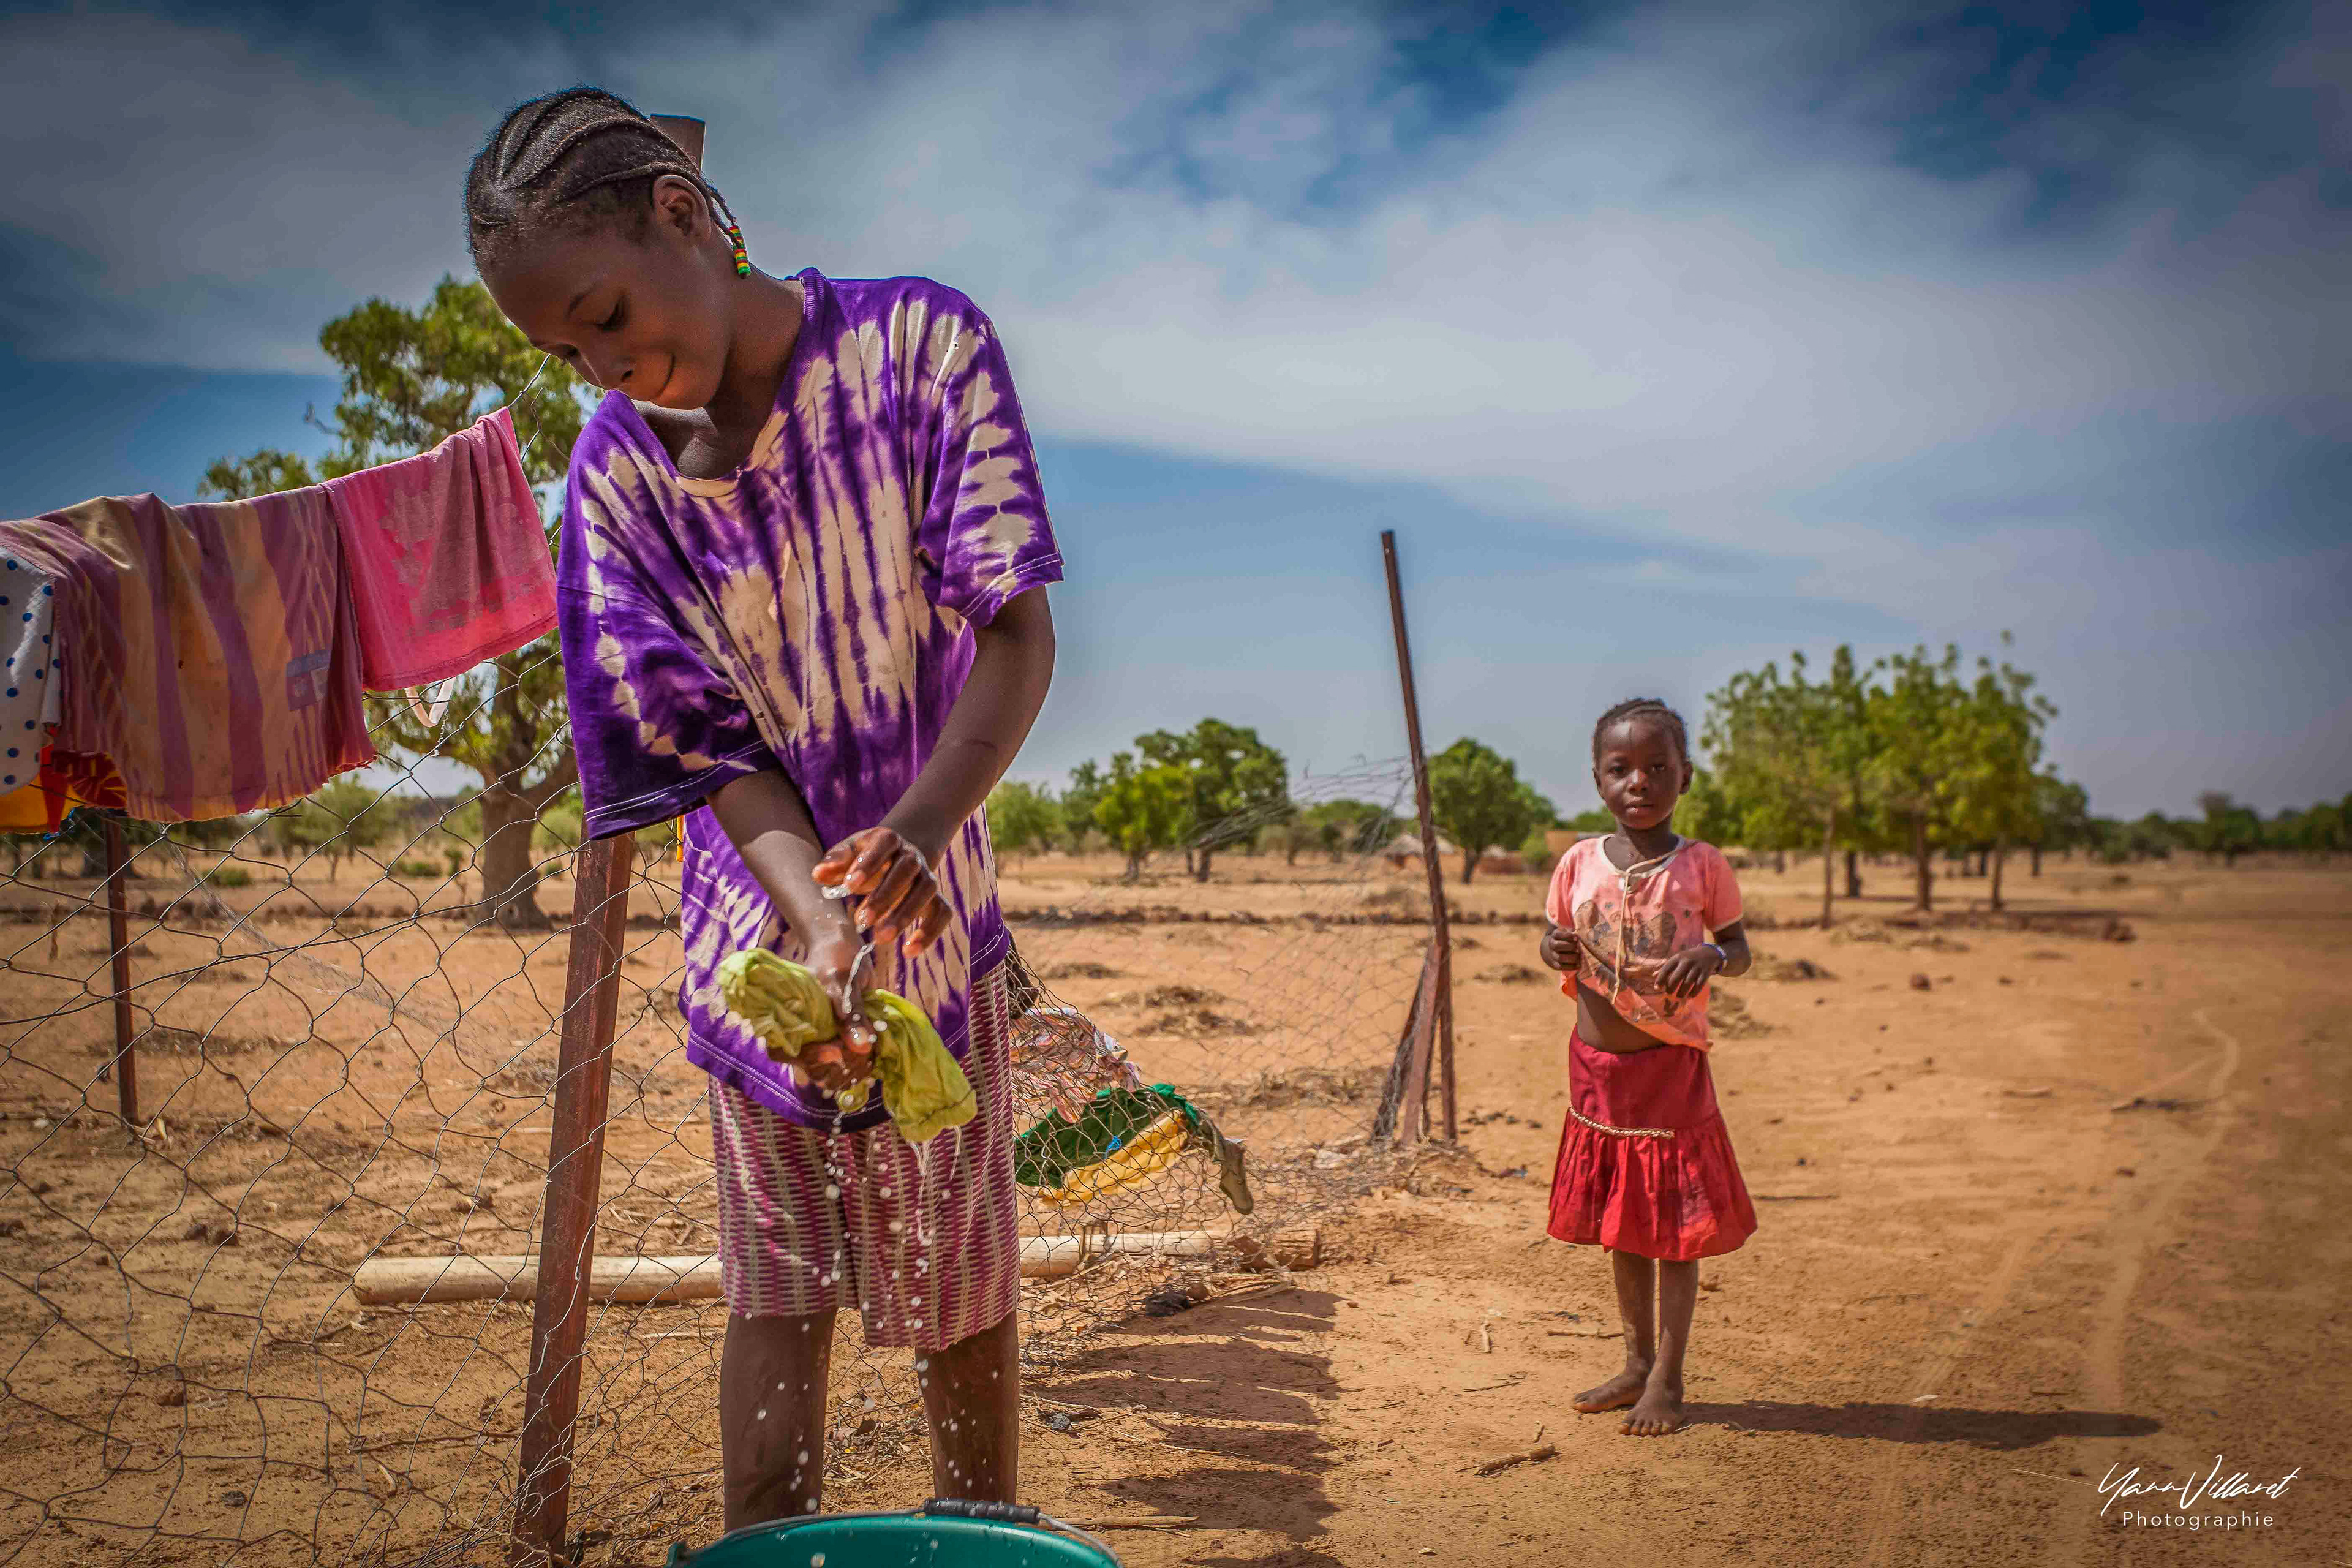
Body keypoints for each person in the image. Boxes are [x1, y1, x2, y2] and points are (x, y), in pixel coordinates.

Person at [465, 88, 1061, 1525]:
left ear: (683, 217)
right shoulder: (621, 476)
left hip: (941, 923)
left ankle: (974, 1545)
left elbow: (1014, 635)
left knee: (961, 1306)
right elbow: (699, 734)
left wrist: (914, 839)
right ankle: (767, 1545)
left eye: (606, 314)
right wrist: (814, 913)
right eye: (566, 349)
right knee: (778, 1302)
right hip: (768, 951)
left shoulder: (918, 349)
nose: (604, 366)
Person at [1537, 697, 1757, 1436]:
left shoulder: (1702, 865)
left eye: (1658, 767)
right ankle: (1633, 1362)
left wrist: (1713, 955)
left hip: (1670, 1072)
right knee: (1621, 1226)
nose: (1641, 781)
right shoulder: (1577, 861)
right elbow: (1552, 933)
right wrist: (1554, 950)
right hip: (1596, 1075)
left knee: (1674, 1230)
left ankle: (1669, 1375)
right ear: (1599, 780)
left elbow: (1740, 946)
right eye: (1621, 768)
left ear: (1685, 776)